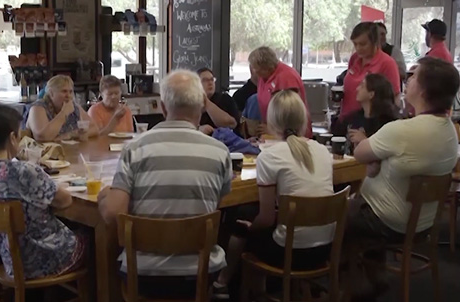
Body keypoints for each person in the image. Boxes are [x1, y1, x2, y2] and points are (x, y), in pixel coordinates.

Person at [97, 69, 232, 299]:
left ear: (162, 107)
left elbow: (113, 215)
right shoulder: (219, 152)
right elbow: (216, 201)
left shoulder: (135, 149)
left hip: (145, 274)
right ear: (201, 106)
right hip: (201, 272)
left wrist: (104, 197)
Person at [348, 57, 459, 299]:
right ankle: (374, 278)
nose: (407, 81)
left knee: (334, 218)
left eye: (413, 76)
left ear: (424, 89)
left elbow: (359, 153)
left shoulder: (402, 130)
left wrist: (377, 159)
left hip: (388, 221)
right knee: (359, 211)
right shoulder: (450, 131)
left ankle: (349, 287)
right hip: (423, 223)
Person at [213, 90, 334, 300]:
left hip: (288, 252)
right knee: (253, 219)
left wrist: (253, 227)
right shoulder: (322, 150)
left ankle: (225, 284)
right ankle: (254, 288)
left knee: (243, 222)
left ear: (271, 120)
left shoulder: (269, 156)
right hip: (326, 248)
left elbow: (266, 218)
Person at [0, 103, 86, 280]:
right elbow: (65, 201)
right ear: (12, 138)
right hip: (44, 258)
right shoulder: (24, 171)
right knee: (94, 239)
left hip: (10, 259)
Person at [249, 46, 312, 138]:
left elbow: (291, 115)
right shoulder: (263, 77)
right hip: (274, 135)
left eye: (256, 69)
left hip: (292, 137)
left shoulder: (287, 78)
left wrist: (272, 129)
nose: (254, 72)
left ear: (267, 68)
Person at [341, 22, 400, 117]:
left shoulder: (387, 63)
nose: (358, 48)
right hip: (347, 118)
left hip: (371, 122)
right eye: (355, 44)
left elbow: (395, 97)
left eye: (363, 44)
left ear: (375, 42)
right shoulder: (354, 58)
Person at [332, 74, 399, 148]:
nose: (357, 89)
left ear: (371, 94)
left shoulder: (386, 123)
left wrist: (365, 141)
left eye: (362, 86)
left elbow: (387, 151)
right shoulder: (352, 118)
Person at [24, 75, 99, 142]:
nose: (68, 96)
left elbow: (95, 128)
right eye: (64, 91)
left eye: (70, 92)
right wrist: (64, 113)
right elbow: (42, 137)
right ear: (51, 93)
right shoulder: (38, 108)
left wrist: (71, 134)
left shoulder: (74, 107)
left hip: (67, 152)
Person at [197, 68, 239, 135]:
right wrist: (198, 129)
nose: (210, 83)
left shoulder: (225, 99)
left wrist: (207, 102)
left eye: (212, 79)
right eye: (205, 80)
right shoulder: (190, 102)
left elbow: (231, 124)